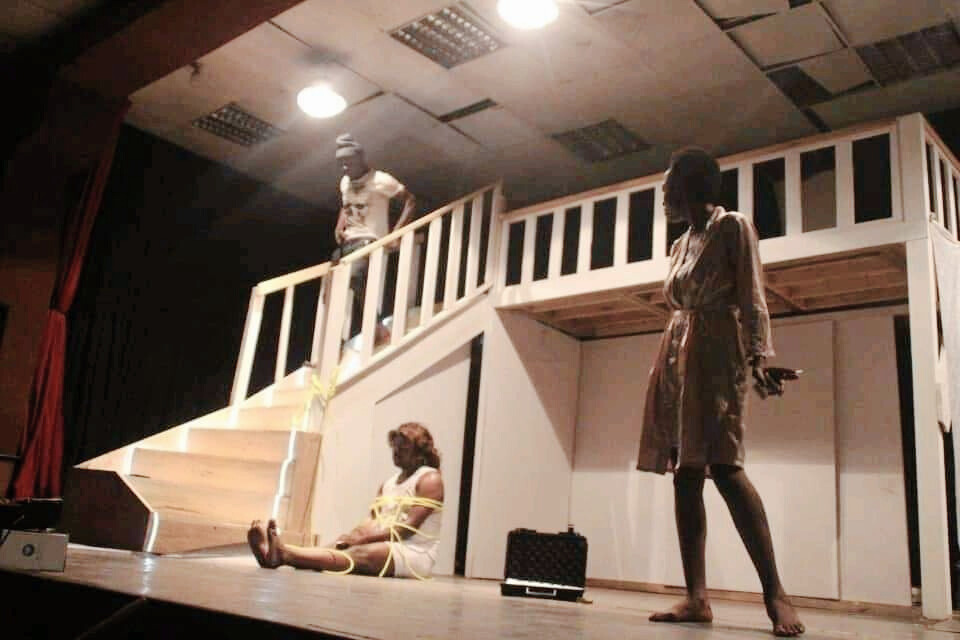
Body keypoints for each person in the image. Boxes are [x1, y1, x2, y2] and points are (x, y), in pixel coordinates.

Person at [637, 147, 804, 637]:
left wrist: (758, 358)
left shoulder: (732, 226)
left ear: (689, 185)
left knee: (726, 467)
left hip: (716, 352)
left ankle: (776, 593)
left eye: (668, 183)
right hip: (677, 352)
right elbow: (678, 303)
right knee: (685, 475)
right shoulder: (680, 244)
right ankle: (697, 597)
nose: (663, 193)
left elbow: (752, 294)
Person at [247, 422, 443, 579]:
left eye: (404, 447)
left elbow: (407, 529)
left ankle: (284, 554)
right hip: (387, 544)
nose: (396, 451)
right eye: (395, 446)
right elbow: (373, 522)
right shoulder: (388, 484)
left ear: (419, 452)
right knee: (342, 544)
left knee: (363, 553)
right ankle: (278, 555)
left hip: (414, 552)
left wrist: (363, 539)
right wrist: (353, 536)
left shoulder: (430, 478)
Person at [332, 134, 416, 341]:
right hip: (348, 241)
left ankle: (376, 325)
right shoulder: (345, 182)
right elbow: (345, 205)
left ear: (360, 159)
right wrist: (339, 225)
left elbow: (410, 200)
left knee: (355, 276)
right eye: (341, 164)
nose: (344, 168)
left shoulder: (380, 180)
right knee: (332, 283)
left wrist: (396, 233)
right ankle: (335, 339)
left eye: (348, 162)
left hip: (369, 240)